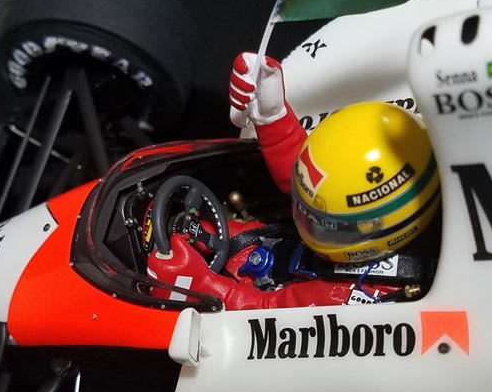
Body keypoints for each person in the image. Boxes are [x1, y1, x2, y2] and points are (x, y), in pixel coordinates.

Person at [146, 53, 439, 309]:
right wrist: (273, 118)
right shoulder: (406, 165)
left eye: (321, 223)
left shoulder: (351, 294)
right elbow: (312, 180)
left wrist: (202, 287)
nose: (303, 219)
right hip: (290, 254)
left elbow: (266, 309)